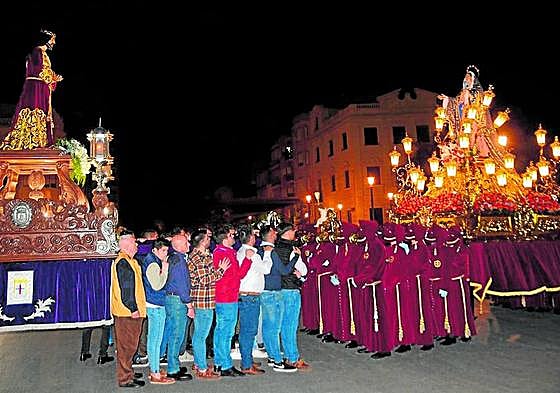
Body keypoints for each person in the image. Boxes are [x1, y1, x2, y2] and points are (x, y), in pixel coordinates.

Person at [1, 29, 63, 150]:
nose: (53, 43)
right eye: (52, 40)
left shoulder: (42, 53)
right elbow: (39, 71)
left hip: (41, 87)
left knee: (43, 112)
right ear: (45, 40)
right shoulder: (37, 51)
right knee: (34, 109)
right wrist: (53, 77)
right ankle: (32, 141)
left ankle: (41, 141)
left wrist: (53, 79)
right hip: (36, 88)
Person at [110, 229, 146, 388]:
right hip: (127, 312)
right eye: (133, 241)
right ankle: (125, 378)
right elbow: (126, 289)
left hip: (128, 311)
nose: (136, 244)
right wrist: (133, 308)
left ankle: (128, 371)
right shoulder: (123, 262)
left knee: (129, 345)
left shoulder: (129, 261)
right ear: (124, 244)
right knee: (127, 346)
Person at [141, 237, 175, 385]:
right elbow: (157, 285)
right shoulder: (153, 264)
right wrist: (165, 270)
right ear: (155, 250)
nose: (165, 254)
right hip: (155, 304)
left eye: (167, 250)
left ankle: (155, 369)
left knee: (154, 339)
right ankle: (155, 373)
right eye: (163, 251)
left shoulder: (151, 260)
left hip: (154, 303)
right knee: (155, 340)